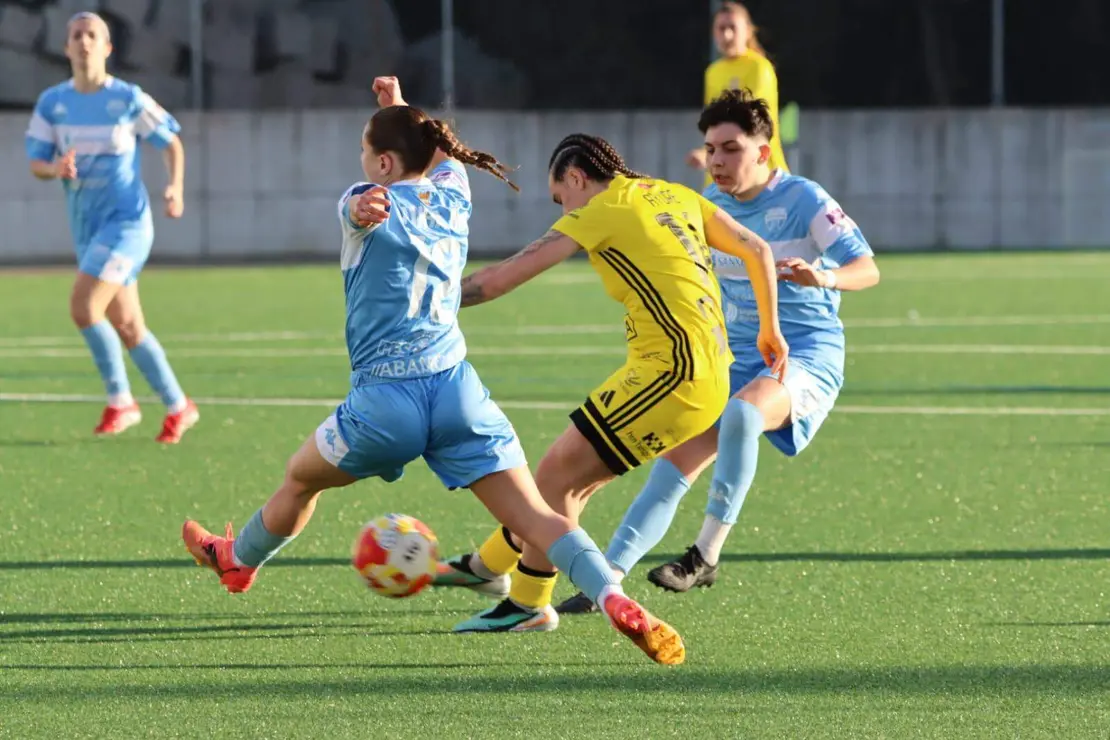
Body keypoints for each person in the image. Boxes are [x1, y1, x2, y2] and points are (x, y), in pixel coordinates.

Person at [181, 77, 688, 666]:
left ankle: (238, 562)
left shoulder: (366, 199)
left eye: (368, 157)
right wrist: (397, 109)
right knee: (536, 516)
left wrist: (360, 200)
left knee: (300, 480)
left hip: (383, 404)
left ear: (384, 161)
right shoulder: (455, 194)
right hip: (456, 392)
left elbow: (356, 206)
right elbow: (439, 154)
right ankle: (612, 596)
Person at [432, 132, 789, 635]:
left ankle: (528, 603)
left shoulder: (602, 208)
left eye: (561, 198)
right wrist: (771, 329)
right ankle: (491, 567)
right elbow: (756, 248)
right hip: (706, 373)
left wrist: (426, 297)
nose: (563, 210)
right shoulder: (675, 194)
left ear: (577, 178)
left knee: (555, 473)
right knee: (571, 482)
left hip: (672, 373)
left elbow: (500, 278)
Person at [556, 89, 880, 614]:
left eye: (730, 148)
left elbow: (868, 268)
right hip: (736, 359)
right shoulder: (709, 205)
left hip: (806, 357)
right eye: (710, 149)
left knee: (744, 413)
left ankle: (706, 553)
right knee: (671, 466)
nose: (717, 160)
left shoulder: (806, 200)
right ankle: (606, 583)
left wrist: (822, 277)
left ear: (764, 153)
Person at [23, 12, 198, 443]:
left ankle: (121, 400)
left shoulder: (127, 98)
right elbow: (36, 164)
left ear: (107, 47)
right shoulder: (52, 103)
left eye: (92, 35)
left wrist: (174, 187)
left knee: (84, 307)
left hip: (128, 224)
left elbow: (171, 141)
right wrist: (55, 168)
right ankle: (179, 405)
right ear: (66, 48)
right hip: (87, 228)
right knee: (129, 325)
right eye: (76, 35)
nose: (83, 42)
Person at [688, 2, 789, 177]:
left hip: (760, 171)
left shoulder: (759, 67)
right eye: (721, 28)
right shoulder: (713, 72)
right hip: (722, 172)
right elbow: (712, 122)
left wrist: (711, 152)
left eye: (733, 27)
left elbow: (750, 121)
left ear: (748, 31)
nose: (727, 34)